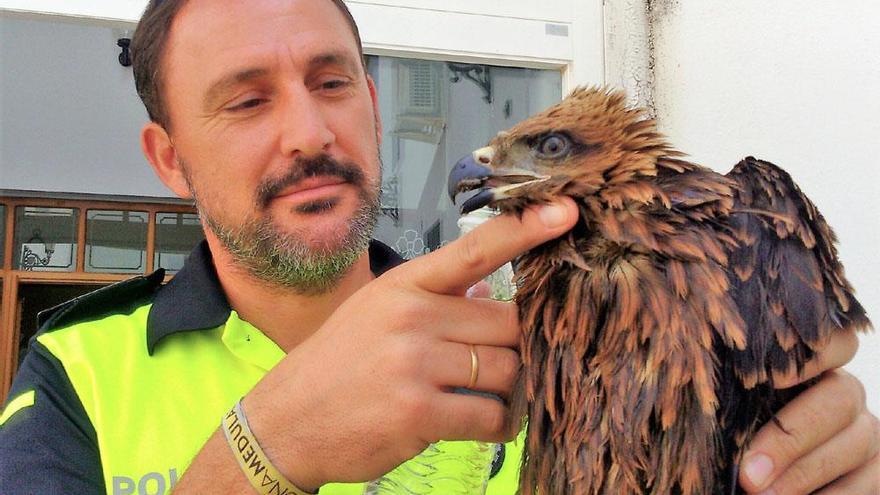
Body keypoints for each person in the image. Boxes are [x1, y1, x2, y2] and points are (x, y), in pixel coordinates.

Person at [0, 0, 877, 493]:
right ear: (170, 158)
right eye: (247, 100)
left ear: (373, 110)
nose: (308, 129)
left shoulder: (533, 326)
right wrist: (261, 451)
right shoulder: (78, 374)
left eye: (332, 81)